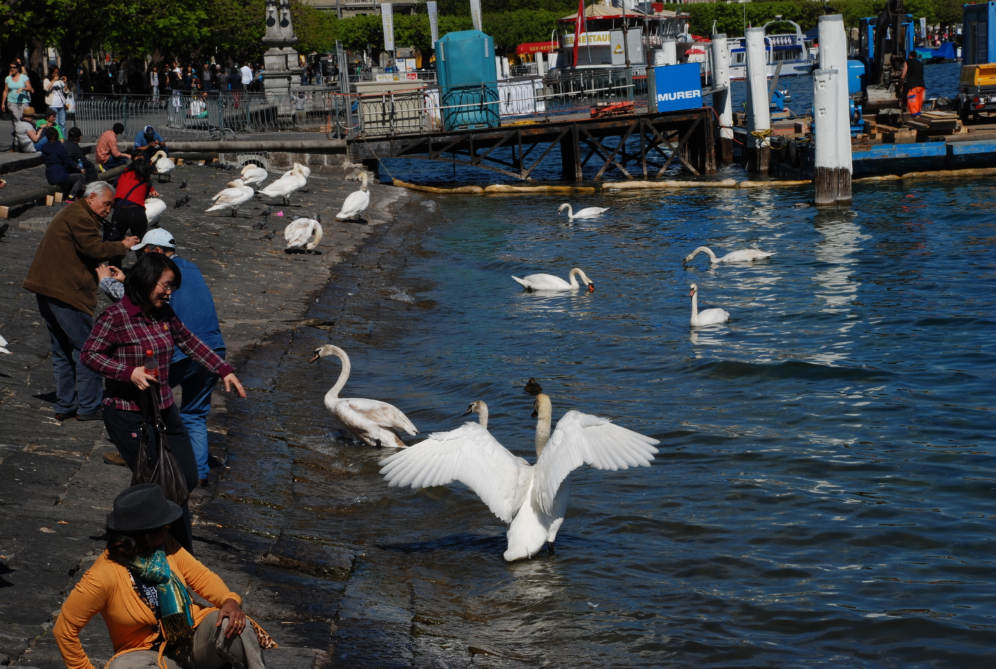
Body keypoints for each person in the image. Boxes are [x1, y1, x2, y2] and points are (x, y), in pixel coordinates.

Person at [81, 253, 245, 550]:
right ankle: (171, 550)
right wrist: (129, 372)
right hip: (129, 414)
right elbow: (90, 355)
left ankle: (159, 542)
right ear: (146, 281)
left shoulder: (164, 313)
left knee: (186, 478)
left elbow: (190, 342)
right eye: (166, 286)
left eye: (172, 287)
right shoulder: (115, 317)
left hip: (165, 410)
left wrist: (223, 369)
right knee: (161, 487)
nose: (169, 293)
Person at [53, 483, 269, 669]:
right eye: (165, 527)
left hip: (191, 638)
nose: (169, 529)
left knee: (235, 625)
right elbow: (64, 630)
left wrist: (229, 600)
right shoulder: (101, 576)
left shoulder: (167, 546)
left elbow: (202, 577)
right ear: (146, 536)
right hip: (145, 654)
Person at [98, 229, 228, 486]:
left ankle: (142, 454)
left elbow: (136, 303)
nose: (141, 259)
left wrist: (106, 282)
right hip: (213, 347)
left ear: (156, 251)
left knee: (149, 404)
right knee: (195, 413)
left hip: (181, 352)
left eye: (144, 254)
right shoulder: (191, 268)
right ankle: (198, 472)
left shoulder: (164, 280)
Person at [23, 182, 140, 422]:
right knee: (88, 349)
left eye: (111, 206)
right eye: (106, 204)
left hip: (48, 287)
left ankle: (66, 404)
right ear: (91, 197)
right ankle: (88, 405)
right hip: (65, 291)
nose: (108, 210)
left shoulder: (76, 212)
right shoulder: (81, 216)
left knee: (62, 349)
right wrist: (123, 245)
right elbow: (95, 249)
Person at [109, 152, 160, 254]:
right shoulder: (145, 179)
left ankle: (115, 264)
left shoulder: (124, 173)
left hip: (120, 211)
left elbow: (115, 184)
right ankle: (142, 263)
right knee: (141, 246)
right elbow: (144, 195)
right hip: (137, 212)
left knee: (116, 245)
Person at [40, 126, 85, 202]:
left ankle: (65, 193)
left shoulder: (44, 148)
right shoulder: (59, 147)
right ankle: (71, 196)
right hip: (60, 176)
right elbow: (68, 161)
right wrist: (79, 169)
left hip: (49, 176)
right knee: (80, 177)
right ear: (56, 136)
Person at [3, 60, 34, 135]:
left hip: (23, 102)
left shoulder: (24, 77)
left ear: (18, 68)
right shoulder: (8, 78)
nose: (12, 69)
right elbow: (5, 91)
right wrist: (3, 103)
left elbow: (31, 89)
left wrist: (23, 88)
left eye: (14, 67)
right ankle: (17, 138)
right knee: (16, 118)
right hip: (11, 101)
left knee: (23, 119)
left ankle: (22, 136)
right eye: (11, 67)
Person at [901, 50, 926, 118]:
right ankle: (919, 118)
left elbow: (903, 76)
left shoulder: (907, 62)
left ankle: (915, 119)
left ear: (909, 56)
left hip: (913, 87)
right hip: (921, 86)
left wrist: (901, 85)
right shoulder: (920, 63)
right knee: (918, 105)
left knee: (913, 105)